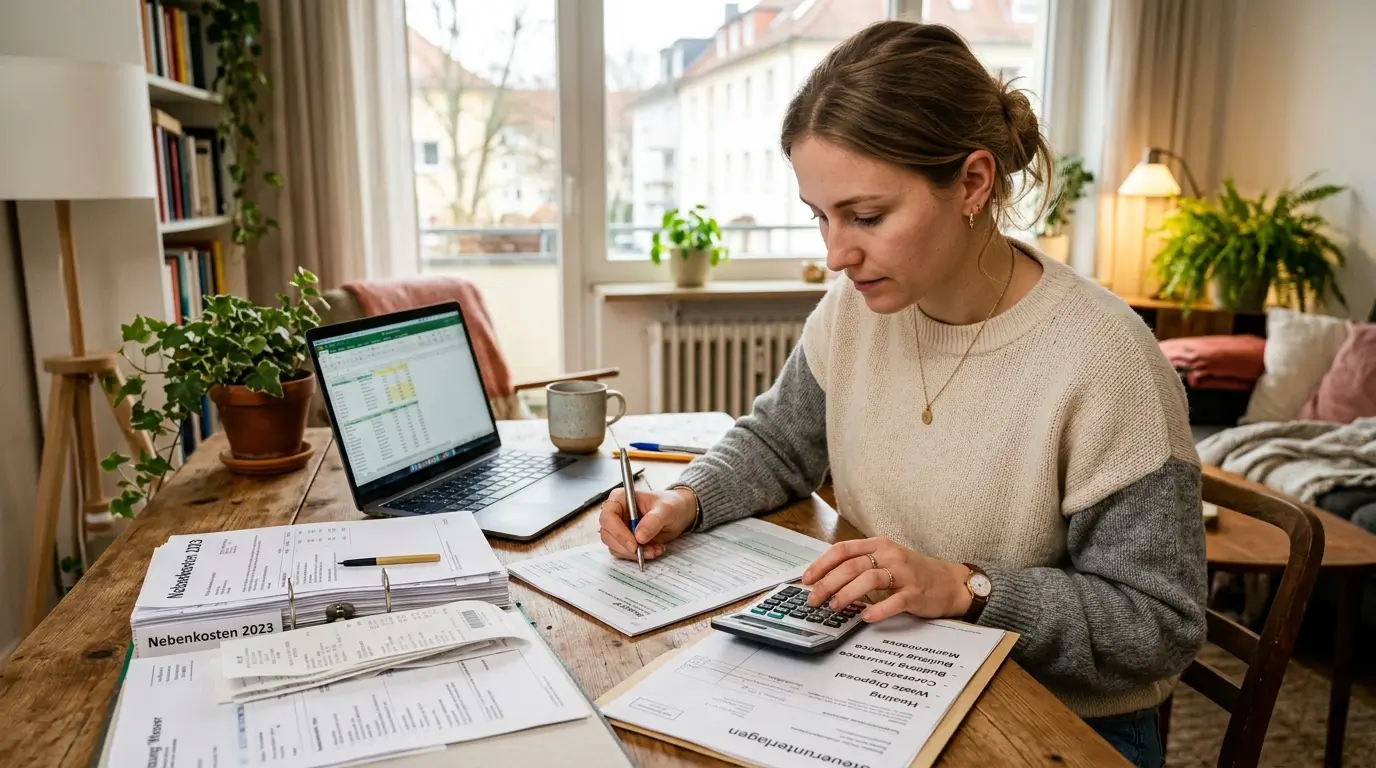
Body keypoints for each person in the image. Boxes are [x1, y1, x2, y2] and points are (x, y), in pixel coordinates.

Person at [598, 20, 1205, 768]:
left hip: (1054, 722)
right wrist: (685, 499)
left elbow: (1154, 625)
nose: (835, 254)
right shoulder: (857, 308)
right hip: (880, 672)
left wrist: (967, 588)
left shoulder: (1107, 361)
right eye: (820, 216)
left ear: (973, 184)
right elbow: (778, 441)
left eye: (867, 216)